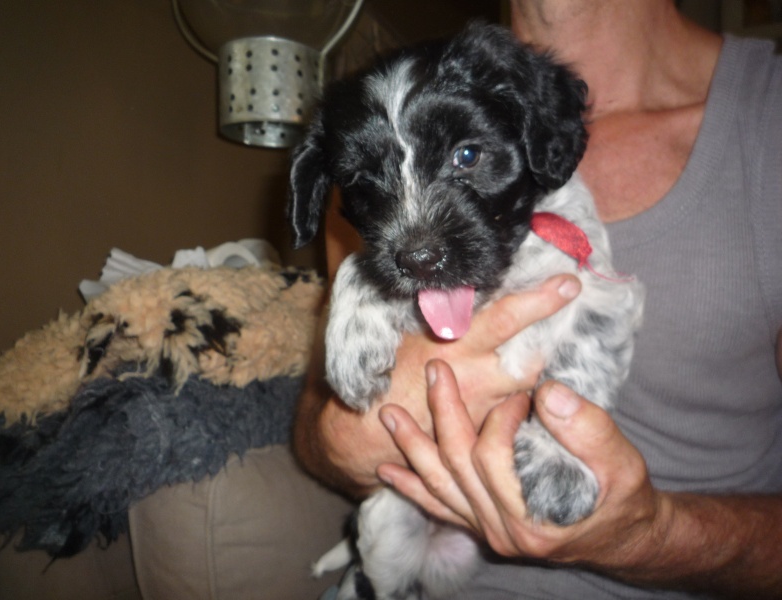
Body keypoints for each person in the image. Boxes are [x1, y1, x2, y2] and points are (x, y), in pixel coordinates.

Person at [293, 1, 782, 597]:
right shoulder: (370, 126)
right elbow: (321, 430)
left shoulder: (766, 119)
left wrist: (651, 534)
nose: (416, 245)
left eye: (467, 157)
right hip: (415, 548)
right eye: (370, 186)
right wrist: (354, 433)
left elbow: (598, 303)